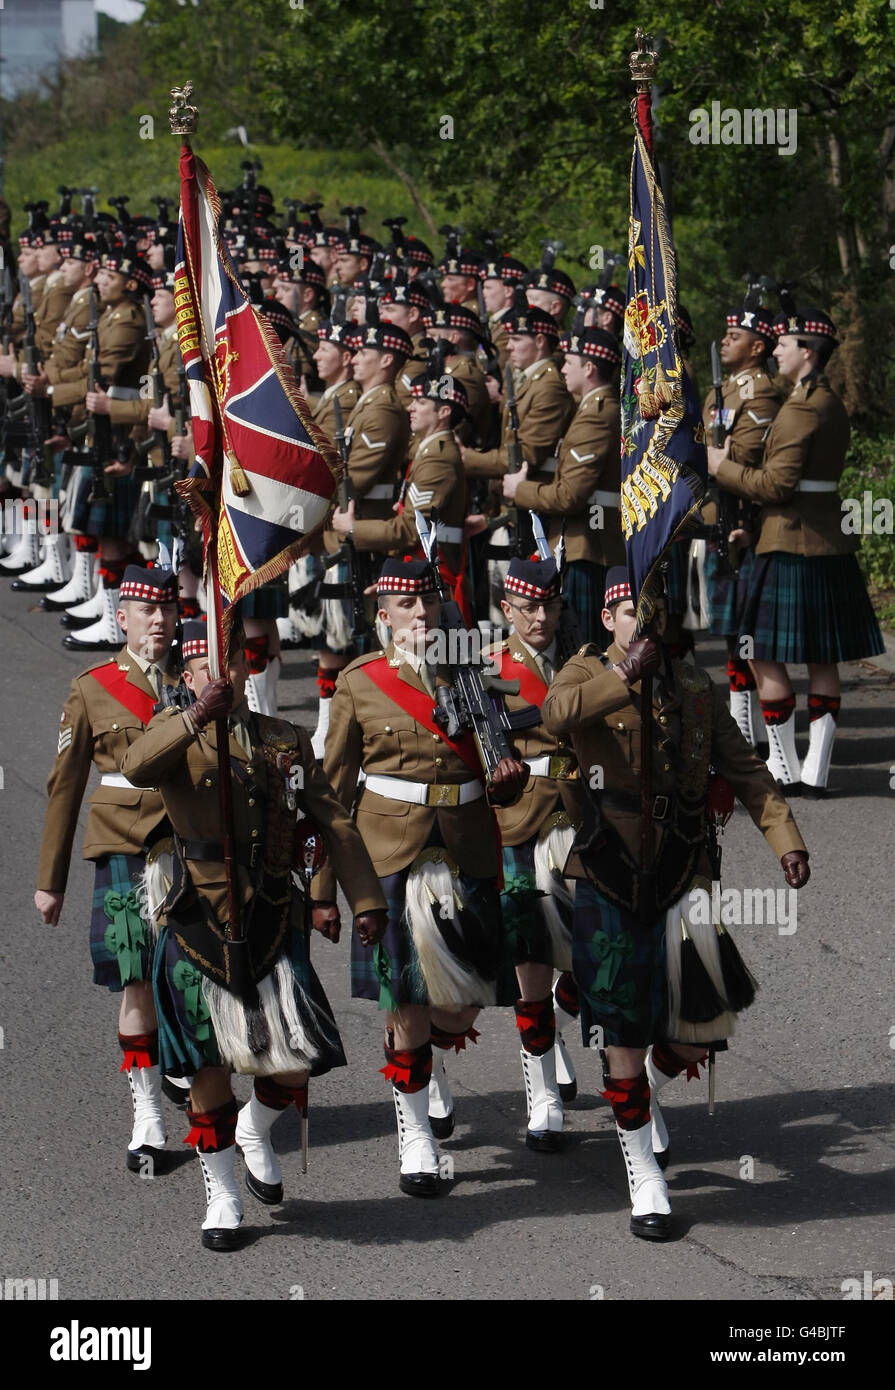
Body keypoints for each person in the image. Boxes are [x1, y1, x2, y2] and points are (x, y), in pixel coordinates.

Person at [542, 567, 810, 1240]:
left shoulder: (693, 686)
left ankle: (633, 1102)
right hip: (610, 867)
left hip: (684, 866)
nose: (645, 624)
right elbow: (556, 717)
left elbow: (745, 770)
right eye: (631, 611)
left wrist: (785, 840)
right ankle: (643, 1176)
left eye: (653, 615)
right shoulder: (583, 673)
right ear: (609, 618)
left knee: (701, 1029)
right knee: (625, 1032)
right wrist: (622, 676)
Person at [120, 619, 387, 1249]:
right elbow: (134, 766)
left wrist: (366, 899)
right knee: (206, 1066)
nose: (226, 674)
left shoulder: (285, 738)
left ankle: (254, 1127)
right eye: (210, 665)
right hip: (198, 921)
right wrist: (192, 718)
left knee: (298, 1058)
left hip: (272, 914)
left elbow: (336, 823)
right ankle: (223, 1194)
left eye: (234, 662)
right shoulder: (176, 736)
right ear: (187, 677)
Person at [313, 557, 528, 1195]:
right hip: (389, 858)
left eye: (429, 603)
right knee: (403, 1000)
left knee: (461, 1007)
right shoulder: (359, 681)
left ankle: (425, 1061)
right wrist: (322, 890)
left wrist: (509, 772)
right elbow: (332, 794)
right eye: (407, 605)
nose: (422, 614)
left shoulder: (475, 668)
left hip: (464, 849)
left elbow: (504, 749)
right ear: (384, 617)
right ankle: (414, 1135)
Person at [34, 563, 182, 1175]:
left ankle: (189, 1074)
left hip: (186, 844)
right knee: (136, 979)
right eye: (147, 610)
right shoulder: (92, 687)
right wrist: (51, 880)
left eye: (168, 610)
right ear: (121, 618)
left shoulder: (196, 677)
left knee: (193, 975)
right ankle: (146, 1110)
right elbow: (64, 789)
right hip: (123, 843)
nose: (159, 620)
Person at [708, 305, 884, 794]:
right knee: (823, 658)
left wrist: (719, 465)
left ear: (807, 352)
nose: (777, 350)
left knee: (764, 654)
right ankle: (816, 770)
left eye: (784, 344)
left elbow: (777, 484)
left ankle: (785, 770)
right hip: (822, 540)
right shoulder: (823, 399)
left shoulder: (803, 406)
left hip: (790, 544)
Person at [487, 556, 587, 1149]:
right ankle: (542, 1094)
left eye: (550, 605)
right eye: (529, 607)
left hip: (583, 819)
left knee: (592, 958)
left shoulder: (583, 661)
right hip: (524, 821)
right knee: (532, 962)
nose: (541, 617)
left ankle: (559, 1027)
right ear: (508, 609)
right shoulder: (492, 669)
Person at [503, 326, 625, 645]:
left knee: (584, 648)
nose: (562, 368)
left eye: (570, 361)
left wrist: (520, 491)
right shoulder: (590, 409)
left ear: (589, 367)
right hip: (584, 542)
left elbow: (570, 495)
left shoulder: (597, 414)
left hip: (588, 545)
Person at [700, 302, 783, 746]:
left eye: (736, 334)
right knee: (733, 635)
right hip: (718, 517)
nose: (726, 338)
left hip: (745, 520)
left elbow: (744, 456)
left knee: (749, 634)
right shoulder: (723, 392)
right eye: (727, 332)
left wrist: (718, 459)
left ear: (758, 347)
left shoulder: (762, 392)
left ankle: (757, 733)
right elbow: (706, 452)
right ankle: (741, 732)